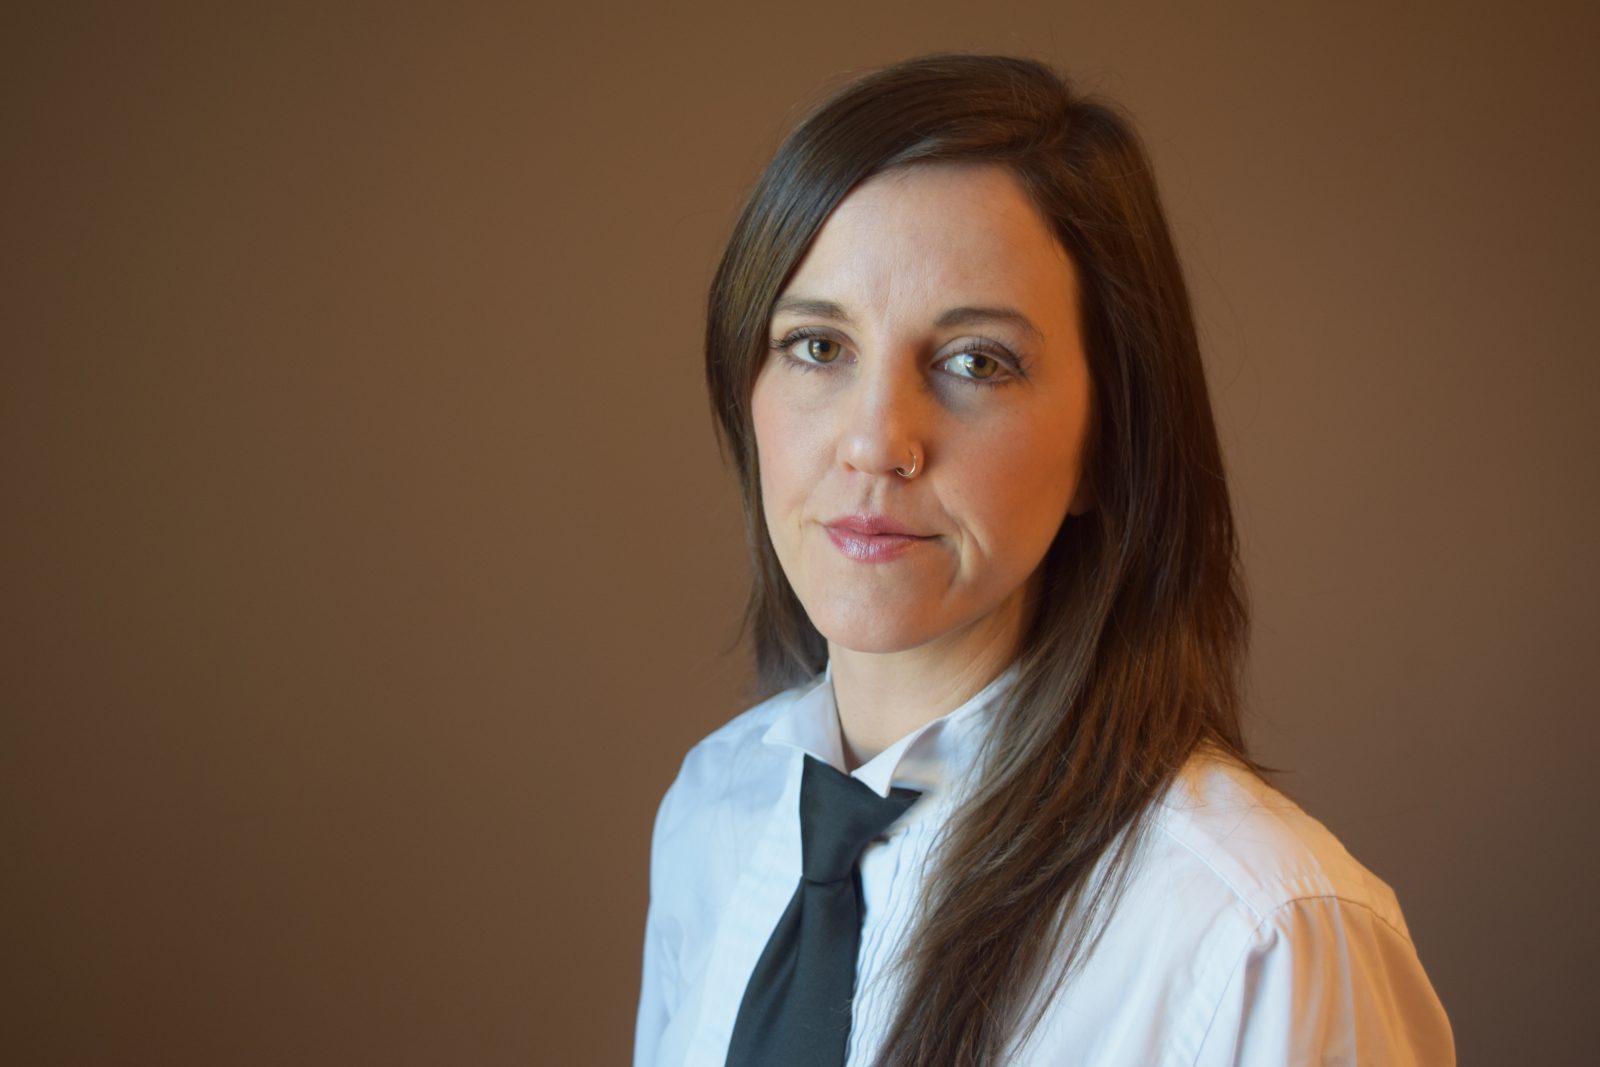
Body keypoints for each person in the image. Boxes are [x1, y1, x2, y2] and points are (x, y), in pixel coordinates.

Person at [635, 54, 1454, 1066]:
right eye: (817, 345)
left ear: (1107, 445)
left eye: (975, 361)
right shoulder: (712, 814)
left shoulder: (1258, 932)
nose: (874, 441)